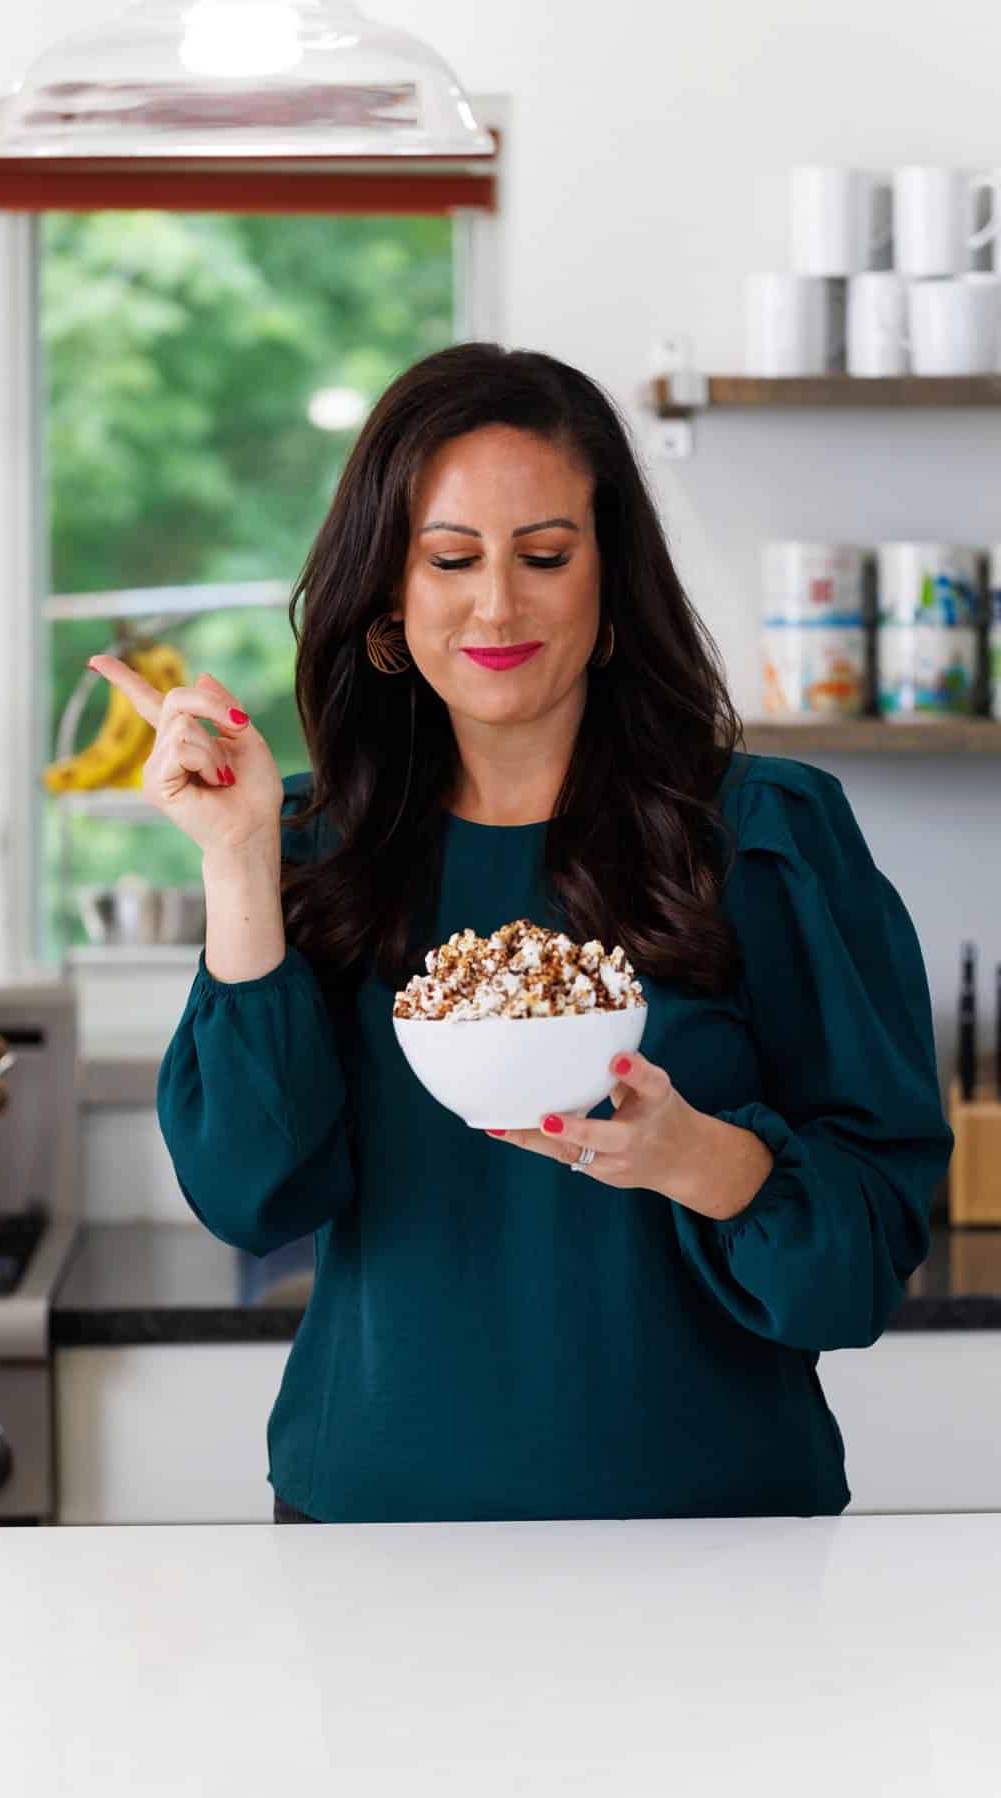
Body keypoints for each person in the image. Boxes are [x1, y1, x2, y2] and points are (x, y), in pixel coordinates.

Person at [90, 342, 953, 1526]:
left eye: (545, 555)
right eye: (451, 558)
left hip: (718, 1547)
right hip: (375, 1536)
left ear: (609, 580)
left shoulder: (769, 835)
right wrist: (237, 859)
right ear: (391, 594)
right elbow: (250, 1192)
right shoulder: (305, 843)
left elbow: (860, 1263)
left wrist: (693, 1156)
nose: (498, 603)